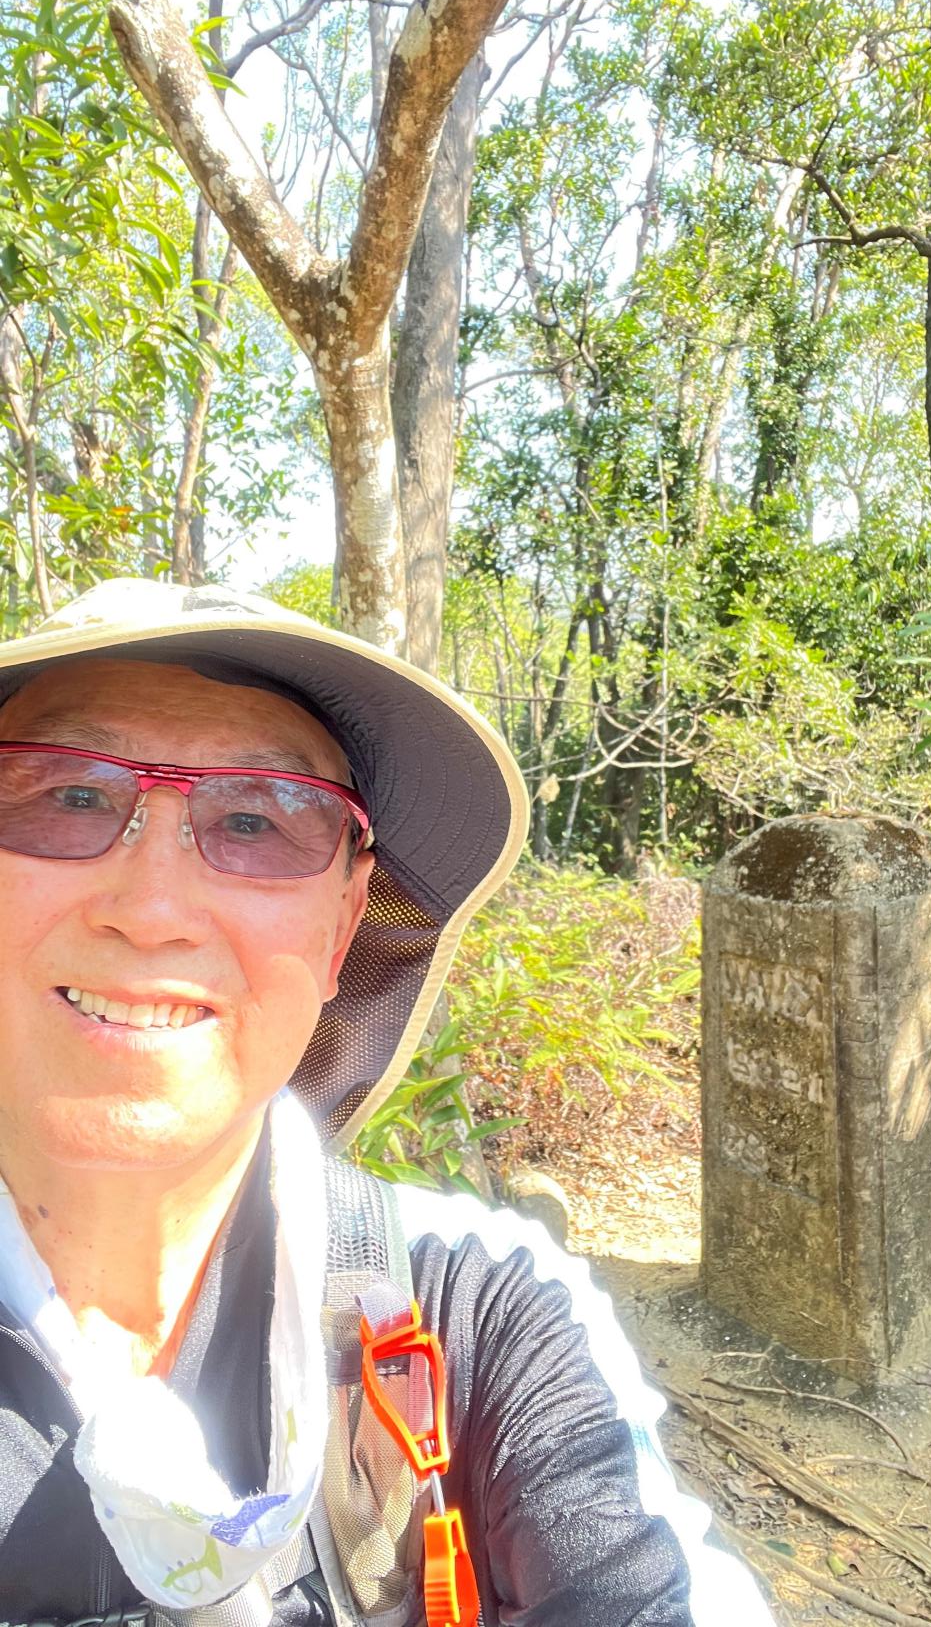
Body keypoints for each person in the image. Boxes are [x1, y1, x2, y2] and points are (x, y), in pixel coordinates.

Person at [0, 577, 773, 1627]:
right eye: (69, 797)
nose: (152, 909)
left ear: (342, 928)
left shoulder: (476, 1310)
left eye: (257, 821)